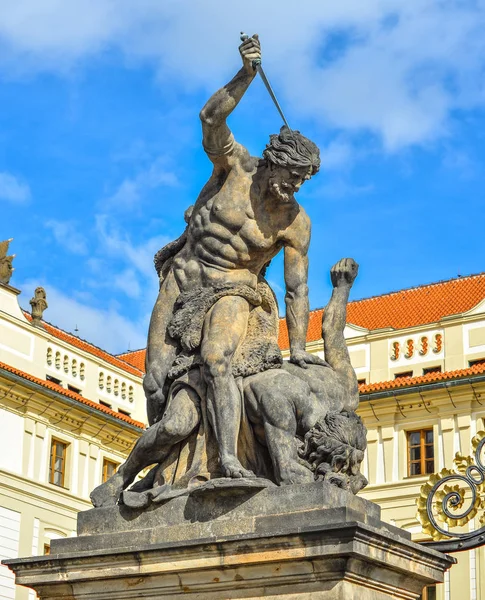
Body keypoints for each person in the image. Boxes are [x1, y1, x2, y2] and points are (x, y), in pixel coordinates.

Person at [143, 33, 325, 479]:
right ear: (273, 160)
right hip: (183, 279)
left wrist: (298, 348)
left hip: (234, 290)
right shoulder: (236, 166)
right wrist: (245, 75)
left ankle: (226, 459)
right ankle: (159, 472)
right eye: (291, 175)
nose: (294, 187)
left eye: (303, 181)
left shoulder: (295, 222)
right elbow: (209, 118)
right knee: (154, 383)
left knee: (218, 359)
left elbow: (296, 288)